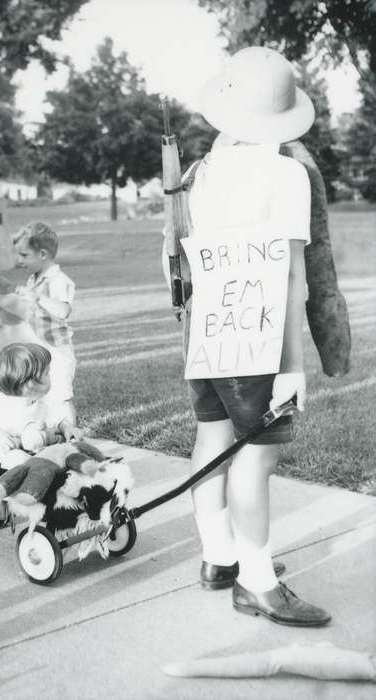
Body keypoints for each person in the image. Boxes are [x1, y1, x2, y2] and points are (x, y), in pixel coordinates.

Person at [182, 46, 330, 626]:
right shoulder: (288, 173)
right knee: (256, 460)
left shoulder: (199, 174)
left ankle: (220, 557)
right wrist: (292, 366)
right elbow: (291, 277)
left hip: (208, 333)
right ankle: (258, 582)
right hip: (258, 339)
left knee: (212, 440)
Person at [0, 342, 81, 506]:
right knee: (20, 461)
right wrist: (49, 436)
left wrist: (65, 427)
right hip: (7, 452)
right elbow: (30, 441)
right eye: (47, 373)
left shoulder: (38, 400)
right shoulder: (14, 409)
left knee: (59, 455)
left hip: (30, 448)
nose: (50, 376)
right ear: (30, 384)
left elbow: (54, 417)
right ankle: (23, 493)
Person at [12, 222, 77, 430]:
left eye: (24, 255)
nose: (19, 261)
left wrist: (37, 298)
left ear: (42, 254)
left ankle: (72, 436)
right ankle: (48, 436)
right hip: (39, 354)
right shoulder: (34, 279)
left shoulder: (58, 280)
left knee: (61, 397)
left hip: (57, 353)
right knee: (40, 399)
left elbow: (63, 311)